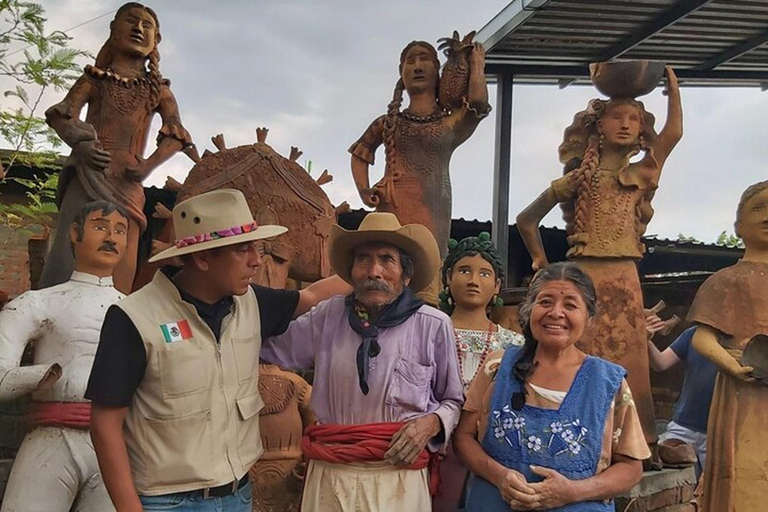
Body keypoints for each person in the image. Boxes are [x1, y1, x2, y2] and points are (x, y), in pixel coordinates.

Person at [84, 189, 349, 512]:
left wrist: (367, 265)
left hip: (237, 495)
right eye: (242, 249)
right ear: (203, 257)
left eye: (256, 247)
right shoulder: (135, 318)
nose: (256, 260)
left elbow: (311, 297)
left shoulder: (251, 303)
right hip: (166, 502)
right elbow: (105, 423)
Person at [516, 67, 682, 446]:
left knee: (631, 363)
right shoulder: (578, 180)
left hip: (626, 278)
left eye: (634, 118)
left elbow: (673, 136)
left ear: (642, 129)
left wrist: (673, 93)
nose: (625, 125)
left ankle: (639, 445)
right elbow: (526, 219)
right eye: (616, 117)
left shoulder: (642, 173)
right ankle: (578, 436)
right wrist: (540, 262)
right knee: (581, 356)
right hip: (584, 278)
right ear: (598, 126)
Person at [261, 212, 464, 512]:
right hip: (331, 475)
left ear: (405, 274)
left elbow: (453, 400)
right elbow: (270, 349)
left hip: (398, 479)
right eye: (363, 260)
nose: (374, 271)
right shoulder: (328, 316)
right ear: (351, 271)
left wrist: (431, 423)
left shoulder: (432, 325)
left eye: (386, 260)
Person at [454, 262, 649, 511]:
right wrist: (499, 476)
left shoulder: (607, 382)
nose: (556, 313)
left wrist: (572, 492)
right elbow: (463, 438)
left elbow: (631, 468)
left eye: (570, 305)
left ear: (589, 318)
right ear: (529, 310)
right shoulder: (497, 366)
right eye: (545, 302)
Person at [41, 2, 194, 294]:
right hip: (88, 173)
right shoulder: (94, 79)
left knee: (122, 258)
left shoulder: (158, 90)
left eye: (146, 26)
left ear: (156, 41)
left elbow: (176, 135)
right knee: (69, 249)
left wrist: (149, 165)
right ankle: (52, 313)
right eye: (130, 21)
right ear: (113, 31)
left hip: (129, 183)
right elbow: (61, 116)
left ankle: (113, 318)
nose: (138, 29)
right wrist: (82, 146)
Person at [0, 200, 129, 511]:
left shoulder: (136, 310)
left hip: (117, 442)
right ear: (75, 233)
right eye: (100, 226)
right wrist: (44, 374)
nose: (111, 237)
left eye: (120, 231)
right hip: (52, 437)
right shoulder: (38, 303)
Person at [349, 39, 490, 304]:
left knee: (426, 285)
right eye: (410, 61)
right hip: (391, 206)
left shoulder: (450, 124)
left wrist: (477, 65)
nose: (417, 66)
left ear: (438, 70)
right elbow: (361, 153)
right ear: (401, 72)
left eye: (424, 59)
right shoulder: (388, 123)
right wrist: (364, 191)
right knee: (384, 272)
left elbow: (478, 104)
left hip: (432, 209)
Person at [688, 180, 768, 512]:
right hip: (744, 391)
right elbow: (702, 339)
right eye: (759, 208)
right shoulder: (725, 280)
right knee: (745, 478)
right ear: (738, 225)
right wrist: (735, 366)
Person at [434, 232, 524, 511]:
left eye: (485, 274)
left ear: (497, 286)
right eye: (464, 270)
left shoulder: (514, 345)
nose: (474, 280)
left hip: (490, 454)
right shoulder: (427, 332)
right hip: (433, 446)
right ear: (447, 278)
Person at [646, 325, 717, 478]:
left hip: (717, 433)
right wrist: (647, 341)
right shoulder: (693, 334)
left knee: (712, 492)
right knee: (667, 476)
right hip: (682, 426)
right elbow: (660, 363)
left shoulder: (741, 342)